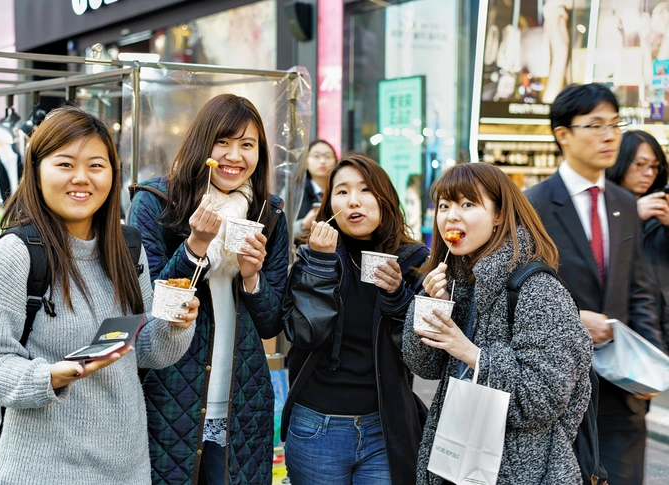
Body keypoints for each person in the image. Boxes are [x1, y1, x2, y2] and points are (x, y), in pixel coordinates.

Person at [0, 105, 198, 485]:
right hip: (40, 473)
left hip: (126, 472)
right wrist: (49, 377)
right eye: (65, 164)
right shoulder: (15, 255)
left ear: (112, 174)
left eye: (96, 165)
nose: (82, 178)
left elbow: (148, 350)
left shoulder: (127, 247)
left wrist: (175, 324)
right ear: (37, 170)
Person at [128, 94, 289, 485]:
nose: (235, 155)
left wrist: (252, 276)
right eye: (224, 142)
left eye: (247, 145)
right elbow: (149, 306)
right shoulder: (155, 203)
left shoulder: (268, 213)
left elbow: (271, 324)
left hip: (242, 405)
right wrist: (194, 246)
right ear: (204, 144)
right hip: (169, 397)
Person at [403, 162, 592, 484]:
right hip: (457, 460)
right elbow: (425, 366)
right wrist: (428, 306)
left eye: (468, 204)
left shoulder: (538, 289)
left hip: (523, 471)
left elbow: (541, 399)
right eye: (444, 206)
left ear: (500, 215)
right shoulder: (461, 282)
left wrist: (473, 355)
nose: (451, 216)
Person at [525, 83, 663, 485]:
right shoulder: (533, 205)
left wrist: (651, 367)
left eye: (614, 125)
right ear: (562, 134)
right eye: (595, 125)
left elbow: (638, 291)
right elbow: (513, 294)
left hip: (622, 388)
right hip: (560, 389)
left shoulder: (623, 202)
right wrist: (570, 319)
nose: (608, 136)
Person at [281, 154, 429, 485]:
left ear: (384, 198)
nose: (354, 201)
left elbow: (422, 354)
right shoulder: (314, 256)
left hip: (385, 427)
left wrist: (397, 296)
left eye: (365, 190)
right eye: (342, 192)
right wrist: (320, 265)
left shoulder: (413, 262)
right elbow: (303, 333)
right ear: (329, 203)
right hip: (317, 427)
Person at [606, 130, 669, 349]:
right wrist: (632, 217)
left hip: (660, 320)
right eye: (640, 164)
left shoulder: (663, 203)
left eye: (654, 166)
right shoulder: (606, 206)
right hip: (623, 325)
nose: (648, 173)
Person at [294, 139, 337, 237]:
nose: (322, 161)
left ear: (335, 161)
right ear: (306, 162)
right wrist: (303, 225)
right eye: (316, 156)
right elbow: (279, 229)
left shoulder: (340, 191)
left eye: (328, 156)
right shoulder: (295, 191)